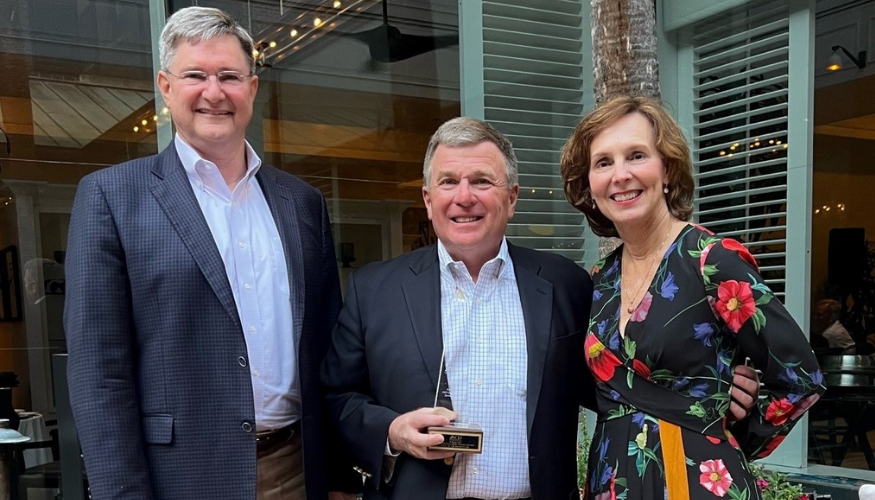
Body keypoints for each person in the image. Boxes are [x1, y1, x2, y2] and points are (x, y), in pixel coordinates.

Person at [320, 116, 760, 500]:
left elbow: (614, 378)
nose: (464, 196)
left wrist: (709, 378)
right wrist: (392, 432)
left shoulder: (566, 284)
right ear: (427, 198)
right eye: (448, 182)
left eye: (482, 181)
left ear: (512, 198)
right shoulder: (373, 289)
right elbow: (336, 398)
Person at [64, 7, 356, 500]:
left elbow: (329, 350)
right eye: (195, 75)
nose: (214, 92)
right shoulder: (112, 198)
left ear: (253, 88)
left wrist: (343, 476)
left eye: (229, 76)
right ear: (166, 85)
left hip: (298, 471)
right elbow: (99, 370)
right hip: (178, 478)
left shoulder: (302, 202)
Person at [560, 96, 826, 500]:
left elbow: (799, 376)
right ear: (589, 186)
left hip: (696, 481)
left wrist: (726, 432)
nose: (620, 175)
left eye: (636, 155)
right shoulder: (597, 282)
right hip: (611, 480)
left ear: (666, 168)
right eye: (603, 162)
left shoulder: (710, 261)